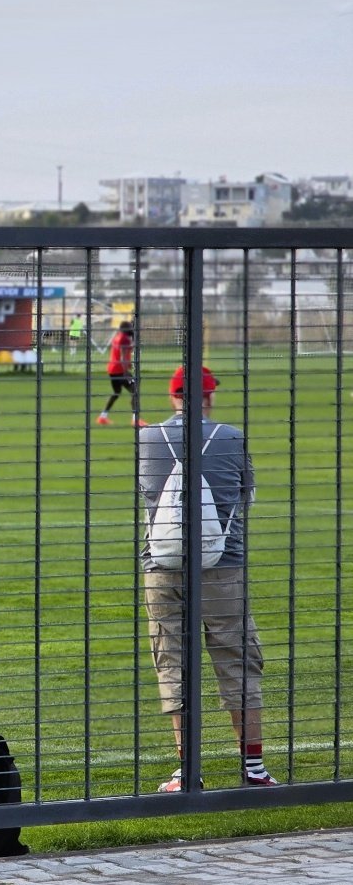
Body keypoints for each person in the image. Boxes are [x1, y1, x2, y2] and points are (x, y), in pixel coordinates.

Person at [139, 366, 273, 792]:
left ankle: (187, 770)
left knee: (172, 662)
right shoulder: (232, 438)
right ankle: (254, 768)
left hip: (162, 567)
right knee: (238, 660)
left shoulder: (147, 438)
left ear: (173, 396)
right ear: (209, 396)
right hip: (223, 565)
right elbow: (247, 495)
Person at [100, 320, 143, 426]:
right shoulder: (124, 339)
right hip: (120, 370)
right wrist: (126, 372)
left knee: (116, 392)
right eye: (131, 328)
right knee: (135, 391)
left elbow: (123, 351)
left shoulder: (118, 337)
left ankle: (102, 417)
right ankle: (135, 420)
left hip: (112, 369)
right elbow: (123, 356)